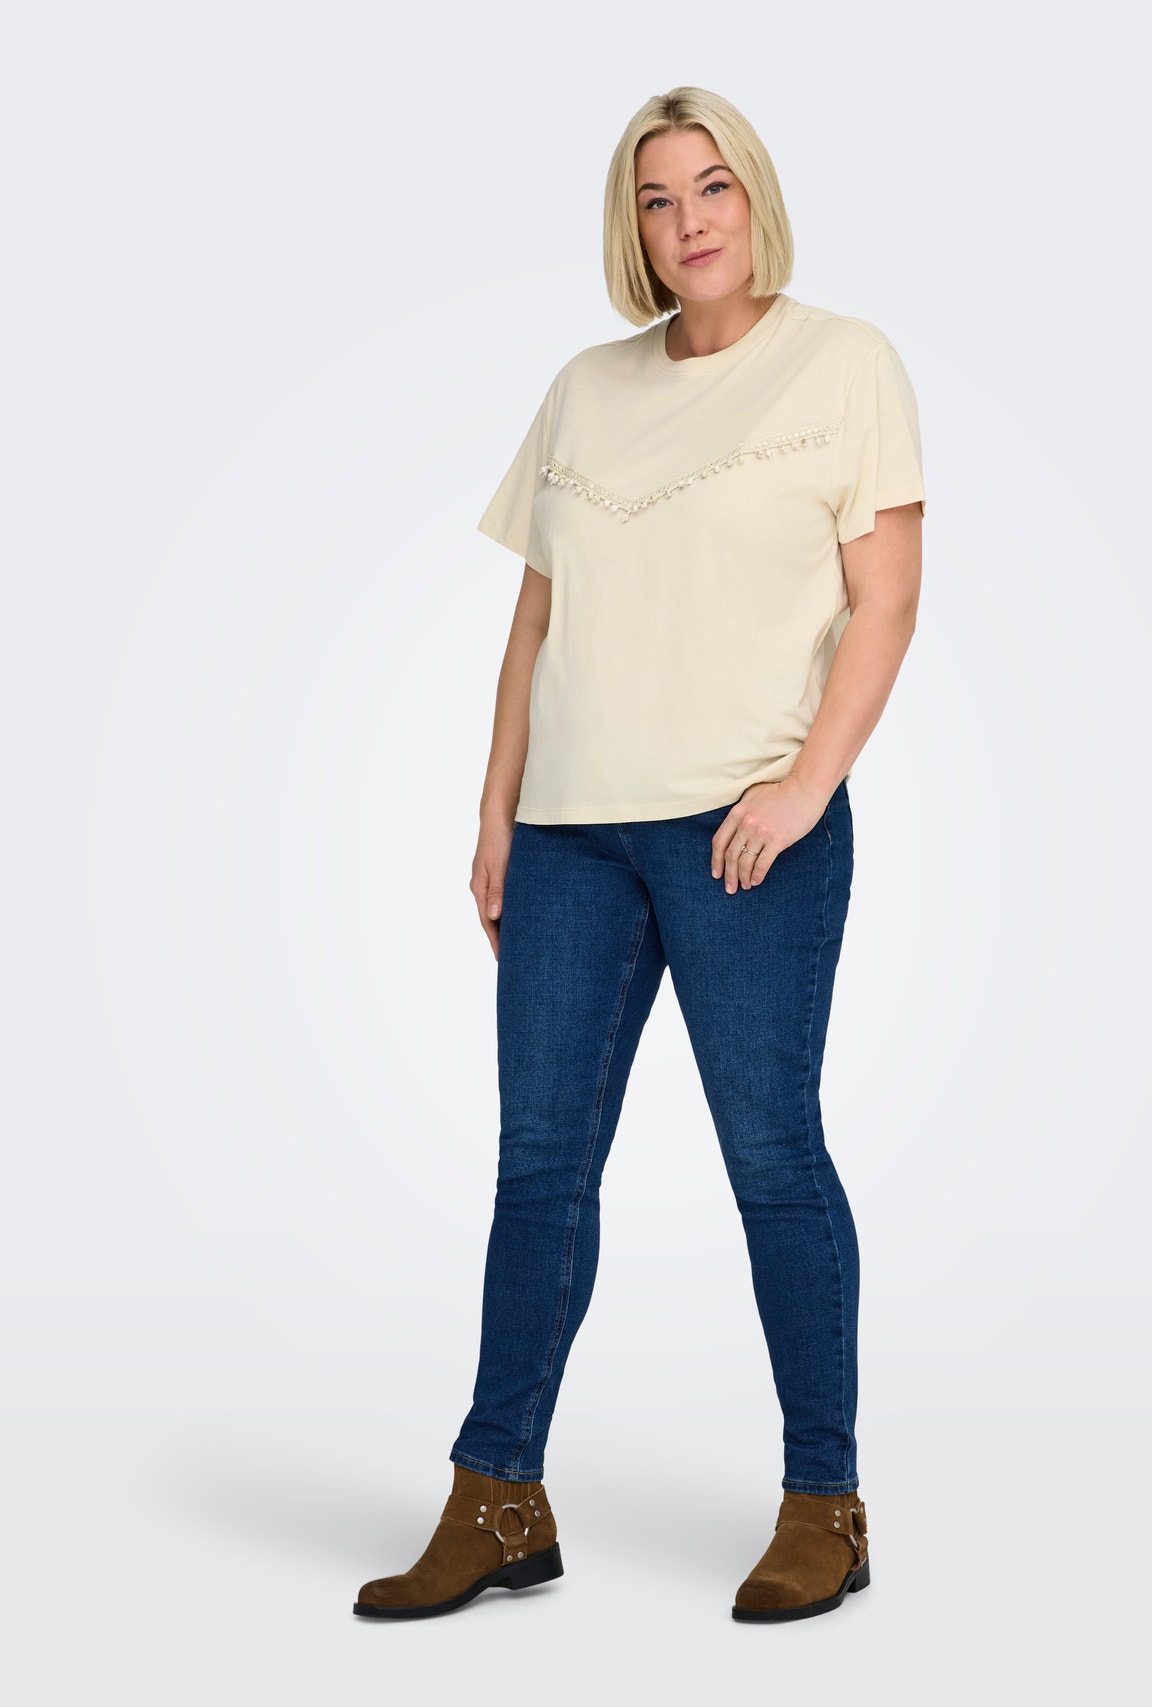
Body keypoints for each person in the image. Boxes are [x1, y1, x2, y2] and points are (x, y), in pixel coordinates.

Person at [353, 83, 925, 1625]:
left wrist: (808, 785)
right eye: (659, 199)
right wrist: (496, 812)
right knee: (539, 1167)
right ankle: (497, 1500)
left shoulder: (845, 363)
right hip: (570, 840)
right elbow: (536, 620)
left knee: (771, 1158)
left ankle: (825, 1504)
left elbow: (884, 598)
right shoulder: (584, 389)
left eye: (712, 187)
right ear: (635, 228)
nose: (690, 222)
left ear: (755, 196)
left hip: (747, 831)